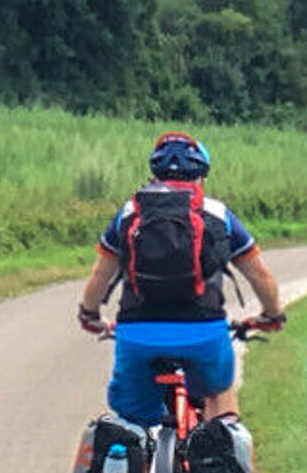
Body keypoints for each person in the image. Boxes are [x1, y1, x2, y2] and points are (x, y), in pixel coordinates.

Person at [78, 130, 285, 427]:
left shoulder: (129, 212)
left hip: (138, 334)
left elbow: (101, 274)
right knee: (218, 393)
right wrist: (272, 315)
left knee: (130, 420)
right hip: (204, 333)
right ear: (201, 175)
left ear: (155, 173)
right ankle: (222, 461)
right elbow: (259, 275)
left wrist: (90, 314)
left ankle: (129, 464)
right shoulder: (217, 213)